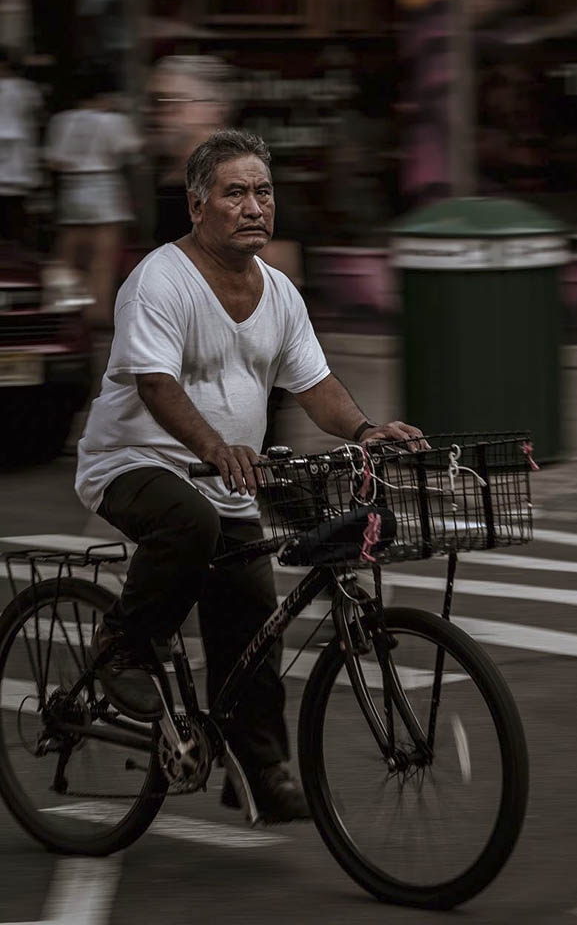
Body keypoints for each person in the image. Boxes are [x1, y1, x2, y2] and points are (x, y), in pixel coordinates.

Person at [76, 128, 423, 821]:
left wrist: (363, 429)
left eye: (263, 191)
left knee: (254, 626)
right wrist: (214, 447)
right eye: (235, 192)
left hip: (224, 478)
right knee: (189, 524)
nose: (254, 205)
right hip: (133, 464)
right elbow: (155, 384)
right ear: (197, 205)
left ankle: (260, 769)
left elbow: (315, 384)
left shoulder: (280, 293)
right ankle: (124, 647)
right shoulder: (160, 281)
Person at [44, 67, 142, 326]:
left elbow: (53, 161)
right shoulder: (114, 121)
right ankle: (95, 318)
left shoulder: (62, 120)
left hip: (72, 189)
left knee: (68, 257)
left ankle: (62, 313)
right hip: (104, 186)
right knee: (102, 260)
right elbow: (131, 151)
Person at [146, 55, 234, 245]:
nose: (160, 114)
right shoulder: (164, 180)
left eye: (175, 101)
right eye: (156, 102)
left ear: (213, 108)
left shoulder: (241, 183)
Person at [0, 47, 43, 245]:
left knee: (13, 204)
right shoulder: (26, 89)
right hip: (17, 156)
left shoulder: (23, 89)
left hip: (16, 154)